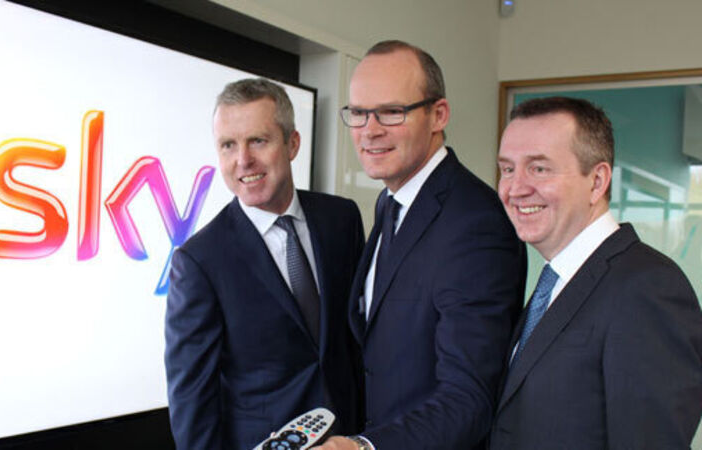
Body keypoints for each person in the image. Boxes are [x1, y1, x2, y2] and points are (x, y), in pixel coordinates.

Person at [314, 40, 526, 450]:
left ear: (438, 115)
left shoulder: (475, 221)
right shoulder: (390, 201)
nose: (370, 130)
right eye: (358, 113)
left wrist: (364, 447)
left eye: (392, 111)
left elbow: (469, 398)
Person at [489, 96, 702, 449]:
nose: (515, 188)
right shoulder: (554, 282)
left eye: (539, 168)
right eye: (508, 169)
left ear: (597, 180)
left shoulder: (647, 287)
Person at [164, 78, 365, 450]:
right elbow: (192, 401)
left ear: (292, 144)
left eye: (258, 140)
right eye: (228, 145)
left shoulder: (341, 220)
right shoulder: (200, 262)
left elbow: (358, 341)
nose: (243, 160)